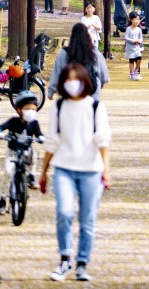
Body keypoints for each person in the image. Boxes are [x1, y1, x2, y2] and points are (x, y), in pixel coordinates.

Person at [39, 63, 111, 282]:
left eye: (76, 79)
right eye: (68, 79)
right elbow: (52, 141)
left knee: (87, 219)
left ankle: (82, 263)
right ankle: (64, 258)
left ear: (85, 81)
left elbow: (102, 140)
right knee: (64, 212)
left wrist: (106, 169)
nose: (72, 83)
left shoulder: (95, 106)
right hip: (64, 168)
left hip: (91, 169)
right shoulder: (58, 107)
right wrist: (43, 172)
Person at [0, 91, 44, 214]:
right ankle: (3, 199)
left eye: (33, 109)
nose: (31, 111)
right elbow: (1, 127)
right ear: (19, 110)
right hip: (13, 152)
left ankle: (31, 176)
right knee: (7, 172)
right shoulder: (13, 121)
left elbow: (39, 134)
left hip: (26, 151)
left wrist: (42, 138)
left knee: (34, 156)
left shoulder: (34, 123)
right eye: (27, 108)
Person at [49, 23, 111, 102]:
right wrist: (101, 83)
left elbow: (57, 72)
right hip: (91, 90)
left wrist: (51, 90)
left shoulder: (64, 53)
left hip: (69, 91)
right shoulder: (94, 52)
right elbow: (104, 75)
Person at [124, 13, 144, 81]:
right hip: (130, 48)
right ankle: (132, 74)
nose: (137, 21)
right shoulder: (128, 29)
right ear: (131, 20)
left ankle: (135, 71)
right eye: (135, 19)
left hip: (137, 48)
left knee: (139, 59)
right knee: (131, 60)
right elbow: (126, 38)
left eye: (138, 19)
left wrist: (139, 41)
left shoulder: (139, 29)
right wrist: (133, 41)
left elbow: (141, 38)